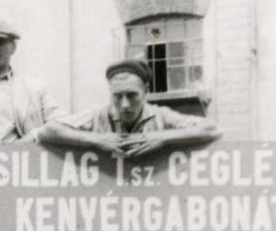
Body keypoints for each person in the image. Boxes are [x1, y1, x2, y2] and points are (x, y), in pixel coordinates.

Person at [40, 55, 220, 158]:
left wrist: (163, 137)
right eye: (117, 96)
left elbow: (212, 129)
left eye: (132, 95)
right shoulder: (99, 114)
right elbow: (48, 130)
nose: (124, 104)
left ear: (146, 91)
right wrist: (97, 140)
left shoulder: (161, 115)